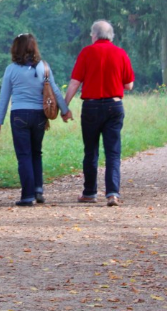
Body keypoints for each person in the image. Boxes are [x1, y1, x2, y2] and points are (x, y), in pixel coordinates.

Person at [0, 33, 71, 207]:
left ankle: (27, 196)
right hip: (39, 115)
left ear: (15, 48)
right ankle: (38, 190)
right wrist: (65, 111)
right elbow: (55, 91)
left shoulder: (11, 69)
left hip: (19, 115)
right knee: (36, 153)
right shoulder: (43, 68)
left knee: (24, 155)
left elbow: (4, 97)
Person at [64, 20, 135, 207]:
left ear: (94, 35)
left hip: (91, 107)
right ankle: (112, 194)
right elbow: (129, 85)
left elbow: (75, 82)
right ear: (111, 35)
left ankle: (89, 192)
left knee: (91, 151)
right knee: (113, 152)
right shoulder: (120, 53)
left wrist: (65, 106)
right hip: (114, 106)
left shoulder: (87, 52)